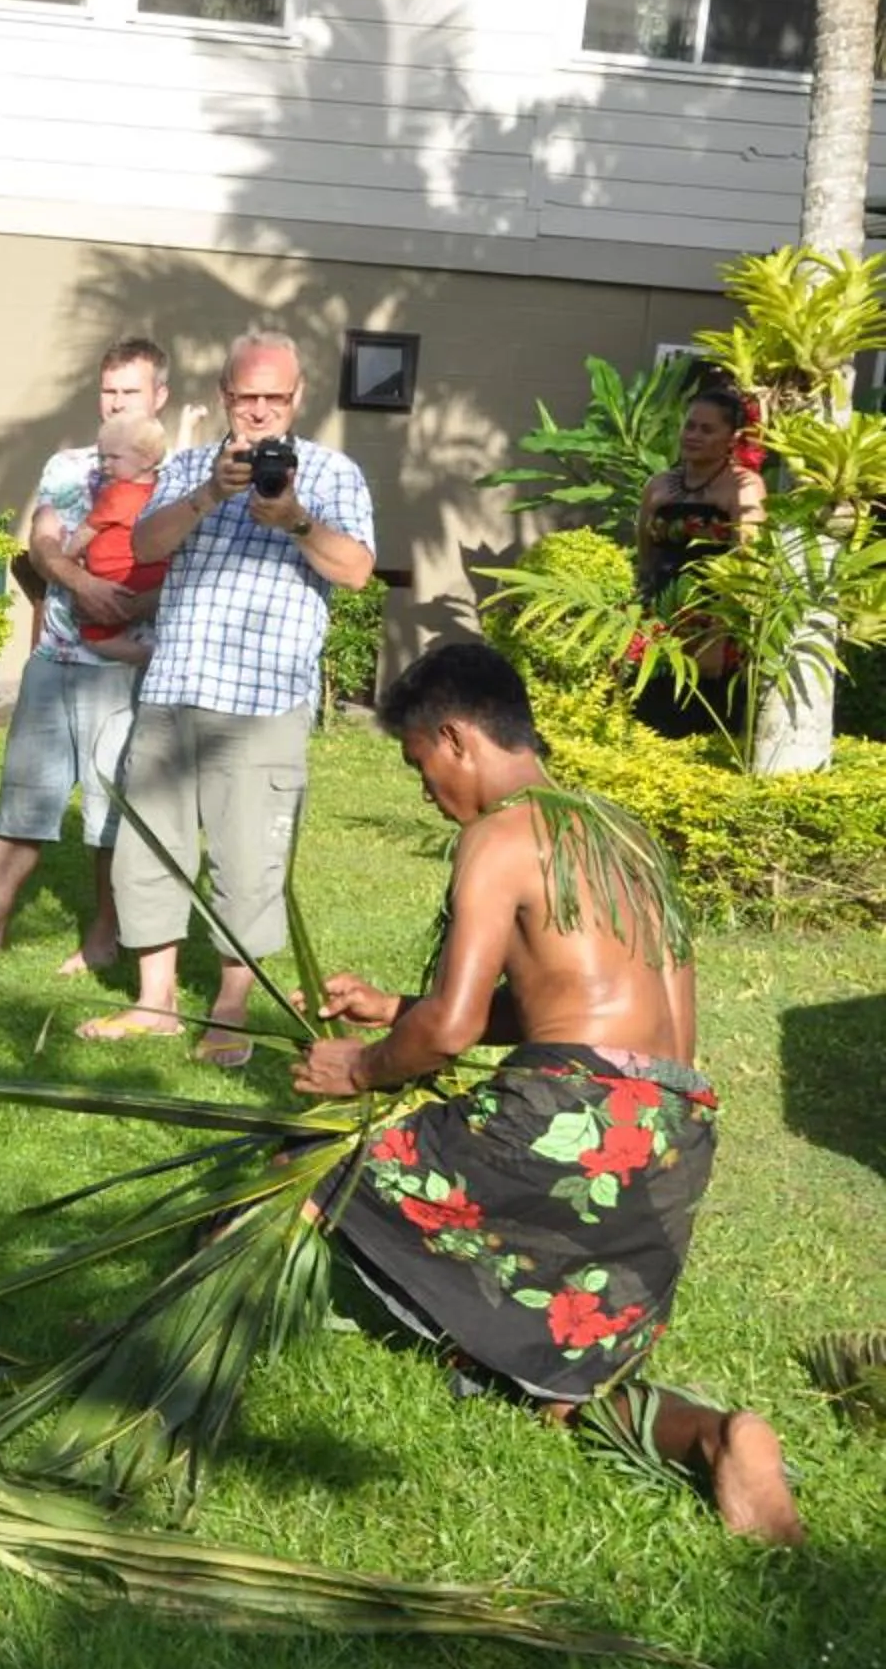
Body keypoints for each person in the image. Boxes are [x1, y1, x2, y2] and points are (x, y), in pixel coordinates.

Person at [288, 641, 800, 1545]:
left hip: (567, 1122)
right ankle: (718, 1440)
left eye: (419, 767)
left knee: (307, 1166)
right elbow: (561, 1005)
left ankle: (183, 1348)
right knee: (565, 1378)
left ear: (453, 738)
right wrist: (389, 1006)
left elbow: (450, 1033)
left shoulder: (498, 834)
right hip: (674, 1134)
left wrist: (359, 1065)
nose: (425, 792)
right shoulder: (617, 831)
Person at [84, 328, 376, 1066]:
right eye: (245, 398)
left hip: (264, 698)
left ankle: (231, 1011)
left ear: (296, 399)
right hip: (177, 683)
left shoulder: (334, 473)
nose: (258, 413)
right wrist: (212, 491)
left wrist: (297, 519)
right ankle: (154, 1003)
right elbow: (144, 547)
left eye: (272, 398)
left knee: (248, 861)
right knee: (152, 845)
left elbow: (357, 572)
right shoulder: (190, 466)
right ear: (224, 398)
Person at [0, 340, 177, 970]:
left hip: (124, 668)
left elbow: (187, 565)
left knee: (109, 813)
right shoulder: (68, 465)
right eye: (109, 391)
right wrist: (82, 582)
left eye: (131, 392)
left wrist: (133, 606)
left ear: (160, 398)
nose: (116, 403)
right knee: (22, 800)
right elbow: (42, 542)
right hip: (57, 658)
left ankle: (105, 936)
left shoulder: (178, 476)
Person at [630, 381, 767, 739]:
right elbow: (645, 554)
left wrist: (718, 638)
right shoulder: (658, 484)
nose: (693, 435)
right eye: (690, 425)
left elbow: (746, 564)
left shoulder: (744, 487)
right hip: (661, 615)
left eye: (707, 429)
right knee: (649, 718)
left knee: (702, 723)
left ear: (731, 437)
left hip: (714, 621)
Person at [64, 415, 171, 664]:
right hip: (153, 576)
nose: (105, 464)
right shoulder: (162, 489)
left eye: (114, 457)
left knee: (95, 637)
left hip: (117, 580)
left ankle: (150, 658)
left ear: (146, 460)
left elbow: (87, 529)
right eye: (102, 457)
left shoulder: (117, 494)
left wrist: (69, 554)